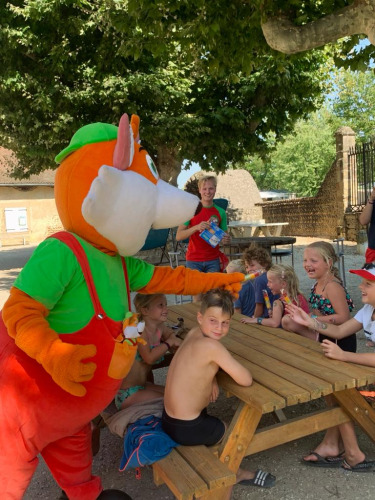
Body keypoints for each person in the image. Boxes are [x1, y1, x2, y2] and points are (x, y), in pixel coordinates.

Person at [162, 288, 276, 488]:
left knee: (212, 423)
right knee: (231, 432)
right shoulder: (213, 348)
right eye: (213, 321)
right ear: (200, 317)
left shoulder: (193, 333)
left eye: (225, 323)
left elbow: (196, 361)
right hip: (188, 428)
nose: (219, 328)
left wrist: (213, 375)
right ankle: (237, 474)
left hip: (168, 419)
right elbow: (246, 380)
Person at [286, 264, 375, 471]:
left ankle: (346, 450)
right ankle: (340, 447)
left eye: (367, 284)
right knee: (335, 382)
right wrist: (310, 322)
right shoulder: (369, 309)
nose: (360, 286)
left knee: (340, 387)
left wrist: (345, 355)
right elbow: (341, 330)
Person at [115, 293, 181, 410]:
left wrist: (171, 339)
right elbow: (149, 358)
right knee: (174, 402)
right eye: (160, 305)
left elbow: (169, 333)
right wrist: (169, 343)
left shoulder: (159, 326)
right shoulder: (140, 330)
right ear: (145, 310)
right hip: (127, 393)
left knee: (179, 395)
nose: (166, 309)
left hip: (142, 386)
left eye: (166, 304)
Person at [282, 241, 355, 345]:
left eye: (313, 261)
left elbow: (344, 317)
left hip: (338, 340)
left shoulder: (332, 286)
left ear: (328, 263)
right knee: (287, 320)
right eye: (305, 260)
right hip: (322, 331)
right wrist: (304, 316)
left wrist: (311, 320)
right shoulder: (318, 284)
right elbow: (317, 313)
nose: (307, 264)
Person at [176, 175, 230, 275]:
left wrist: (226, 240)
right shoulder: (191, 210)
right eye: (204, 189)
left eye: (211, 188)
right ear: (199, 190)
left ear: (215, 189)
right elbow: (179, 236)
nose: (207, 192)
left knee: (213, 290)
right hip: (193, 260)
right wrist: (196, 227)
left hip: (213, 260)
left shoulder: (221, 212)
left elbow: (224, 239)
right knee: (195, 291)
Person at [241, 264, 309, 328]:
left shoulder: (278, 303)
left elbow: (274, 323)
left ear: (283, 284)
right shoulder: (300, 297)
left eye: (270, 281)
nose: (267, 284)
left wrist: (256, 320)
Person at [242, 244, 277, 318]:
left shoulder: (259, 280)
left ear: (264, 264)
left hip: (268, 317)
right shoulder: (272, 274)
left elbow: (259, 306)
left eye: (252, 265)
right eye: (246, 267)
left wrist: (254, 318)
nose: (248, 270)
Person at [359, 185, 375, 265]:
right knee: (370, 277)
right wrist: (371, 199)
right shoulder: (373, 202)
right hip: (373, 251)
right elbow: (363, 221)